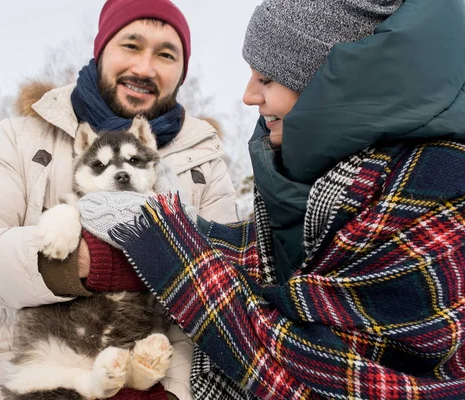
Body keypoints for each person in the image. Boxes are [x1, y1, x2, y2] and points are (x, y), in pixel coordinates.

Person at [78, 0, 465, 398]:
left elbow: (317, 374)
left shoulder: (436, 183)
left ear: (331, 83)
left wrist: (166, 243)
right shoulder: (330, 175)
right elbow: (275, 259)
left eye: (266, 79)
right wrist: (193, 229)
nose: (247, 96)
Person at [0, 0, 239, 399]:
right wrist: (78, 262)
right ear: (102, 50)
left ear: (182, 71)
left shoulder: (205, 160)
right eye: (131, 45)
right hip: (46, 370)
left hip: (152, 377)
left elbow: (226, 291)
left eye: (165, 54)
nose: (145, 68)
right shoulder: (22, 138)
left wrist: (172, 391)